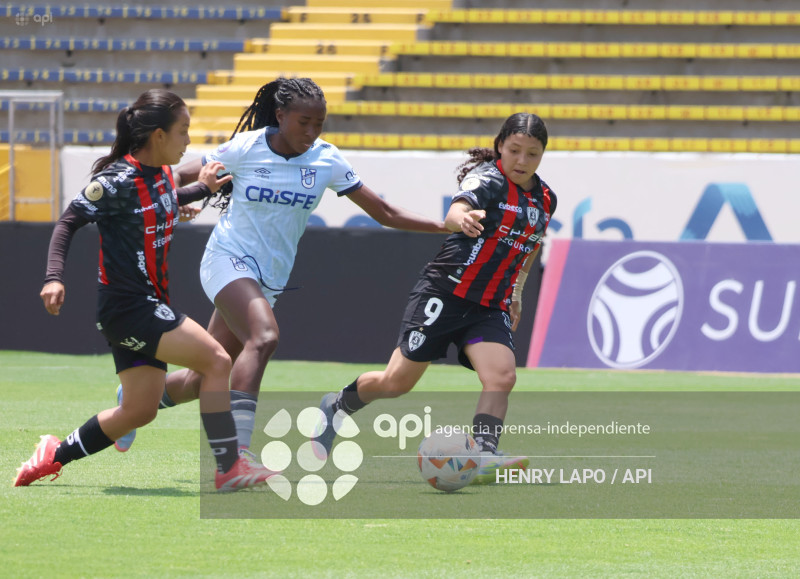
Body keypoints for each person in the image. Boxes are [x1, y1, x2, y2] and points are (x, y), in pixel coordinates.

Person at [113, 77, 448, 457]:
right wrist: (176, 201)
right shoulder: (247, 147)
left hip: (269, 280)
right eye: (303, 122)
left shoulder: (327, 159)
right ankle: (236, 454)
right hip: (227, 258)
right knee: (265, 336)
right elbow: (176, 174)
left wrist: (442, 224)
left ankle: (131, 406)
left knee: (198, 379)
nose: (311, 131)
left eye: (319, 123)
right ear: (280, 114)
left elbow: (385, 212)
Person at [15, 89, 277, 492]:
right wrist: (53, 277)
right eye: (183, 131)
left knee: (138, 410)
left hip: (143, 307)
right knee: (217, 360)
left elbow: (165, 201)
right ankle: (228, 467)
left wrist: (201, 190)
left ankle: (52, 454)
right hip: (130, 308)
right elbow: (67, 222)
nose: (189, 140)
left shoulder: (162, 176)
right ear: (158, 135)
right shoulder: (116, 180)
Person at [314, 112, 557, 485]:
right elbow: (455, 210)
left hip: (489, 305)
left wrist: (518, 295)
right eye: (514, 150)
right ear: (499, 146)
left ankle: (484, 454)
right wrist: (461, 219)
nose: (522, 161)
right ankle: (337, 405)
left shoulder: (545, 199)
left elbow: (530, 247)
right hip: (445, 292)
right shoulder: (487, 180)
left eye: (532, 154)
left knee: (502, 376)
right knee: (396, 383)